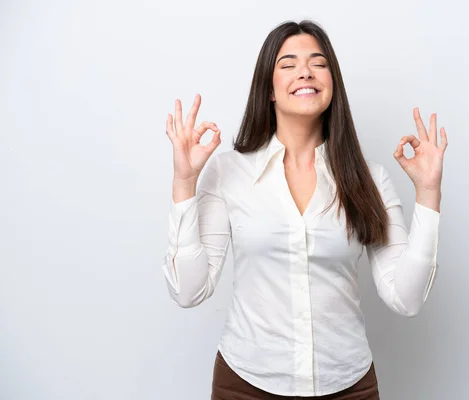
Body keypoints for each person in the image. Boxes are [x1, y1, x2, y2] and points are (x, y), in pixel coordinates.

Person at [163, 20, 447, 400]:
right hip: (246, 384)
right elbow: (189, 291)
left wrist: (428, 192)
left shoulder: (369, 179)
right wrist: (184, 184)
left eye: (318, 62)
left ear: (332, 82)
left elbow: (406, 298)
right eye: (288, 64)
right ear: (269, 89)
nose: (305, 72)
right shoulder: (228, 172)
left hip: (347, 385)